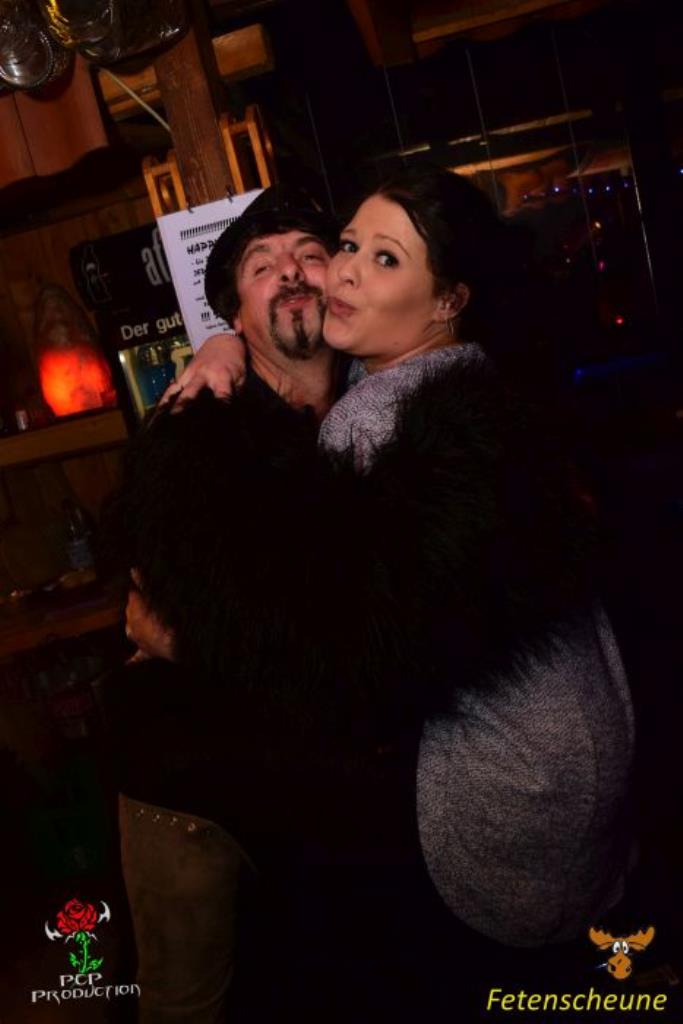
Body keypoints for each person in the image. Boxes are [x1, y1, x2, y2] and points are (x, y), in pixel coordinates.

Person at [116, 169, 634, 1017]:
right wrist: (215, 354)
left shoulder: (378, 406)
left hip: (458, 796)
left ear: (442, 300)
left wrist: (188, 644)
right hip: (221, 796)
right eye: (261, 266)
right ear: (234, 316)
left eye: (316, 253)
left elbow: (348, 657)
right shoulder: (209, 425)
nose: (301, 271)